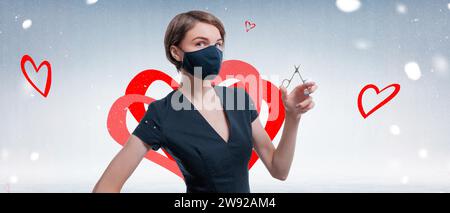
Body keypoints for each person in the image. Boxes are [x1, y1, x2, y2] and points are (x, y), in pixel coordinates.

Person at [93, 10, 317, 193]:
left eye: (218, 44)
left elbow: (279, 170)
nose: (213, 51)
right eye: (200, 43)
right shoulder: (161, 114)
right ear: (176, 52)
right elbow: (106, 187)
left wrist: (292, 116)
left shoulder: (238, 99)